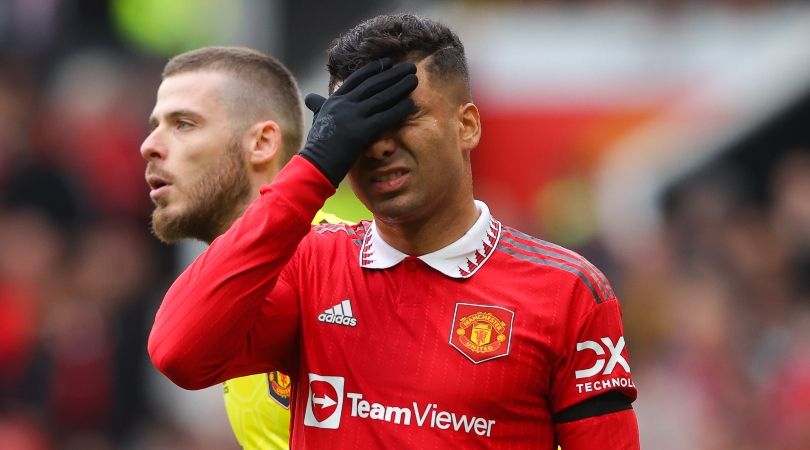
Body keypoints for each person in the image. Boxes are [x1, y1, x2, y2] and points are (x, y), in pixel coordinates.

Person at [148, 15, 640, 449]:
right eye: (358, 128)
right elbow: (178, 353)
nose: (378, 147)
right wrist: (315, 164)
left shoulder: (568, 292)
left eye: (403, 117)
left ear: (467, 125)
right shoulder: (311, 266)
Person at [140, 46, 346, 449]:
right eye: (154, 126)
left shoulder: (337, 262)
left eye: (183, 124)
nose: (149, 145)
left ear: (262, 143)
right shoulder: (222, 281)